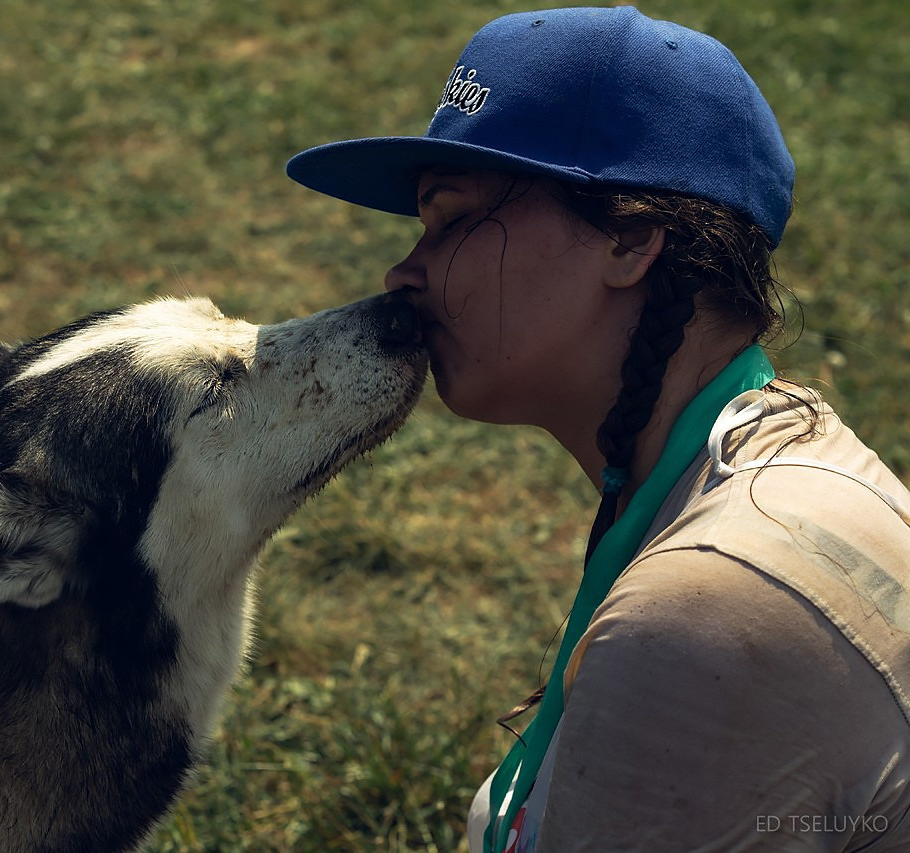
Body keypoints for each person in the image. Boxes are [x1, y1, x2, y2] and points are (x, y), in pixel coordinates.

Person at [286, 6, 910, 852]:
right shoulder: (765, 475)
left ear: (628, 238)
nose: (403, 271)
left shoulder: (705, 610)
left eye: (453, 218)